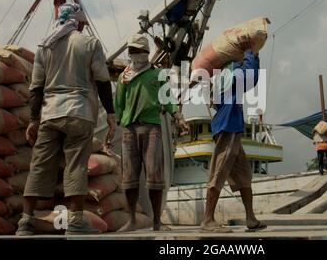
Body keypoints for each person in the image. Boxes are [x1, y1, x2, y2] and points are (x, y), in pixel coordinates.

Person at [16, 3, 116, 236]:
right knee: (76, 166)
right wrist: (110, 115)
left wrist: (33, 119)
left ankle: (26, 221)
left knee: (39, 165)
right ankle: (76, 221)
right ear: (78, 22)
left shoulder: (45, 45)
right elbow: (102, 81)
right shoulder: (89, 43)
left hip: (50, 114)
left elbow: (36, 87)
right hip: (79, 113)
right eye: (82, 22)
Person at [114, 34, 190, 232]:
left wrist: (179, 118)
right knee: (129, 178)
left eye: (136, 50)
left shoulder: (158, 75)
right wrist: (117, 123)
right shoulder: (124, 76)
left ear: (145, 52)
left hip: (152, 129)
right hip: (129, 129)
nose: (132, 54)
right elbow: (119, 104)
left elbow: (168, 100)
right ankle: (131, 220)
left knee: (154, 176)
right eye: (130, 51)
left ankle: (157, 222)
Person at [201, 51, 267, 233]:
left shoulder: (220, 74)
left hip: (231, 126)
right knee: (219, 172)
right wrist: (252, 54)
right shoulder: (230, 70)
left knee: (244, 175)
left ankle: (251, 218)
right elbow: (251, 77)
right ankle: (207, 220)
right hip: (227, 126)